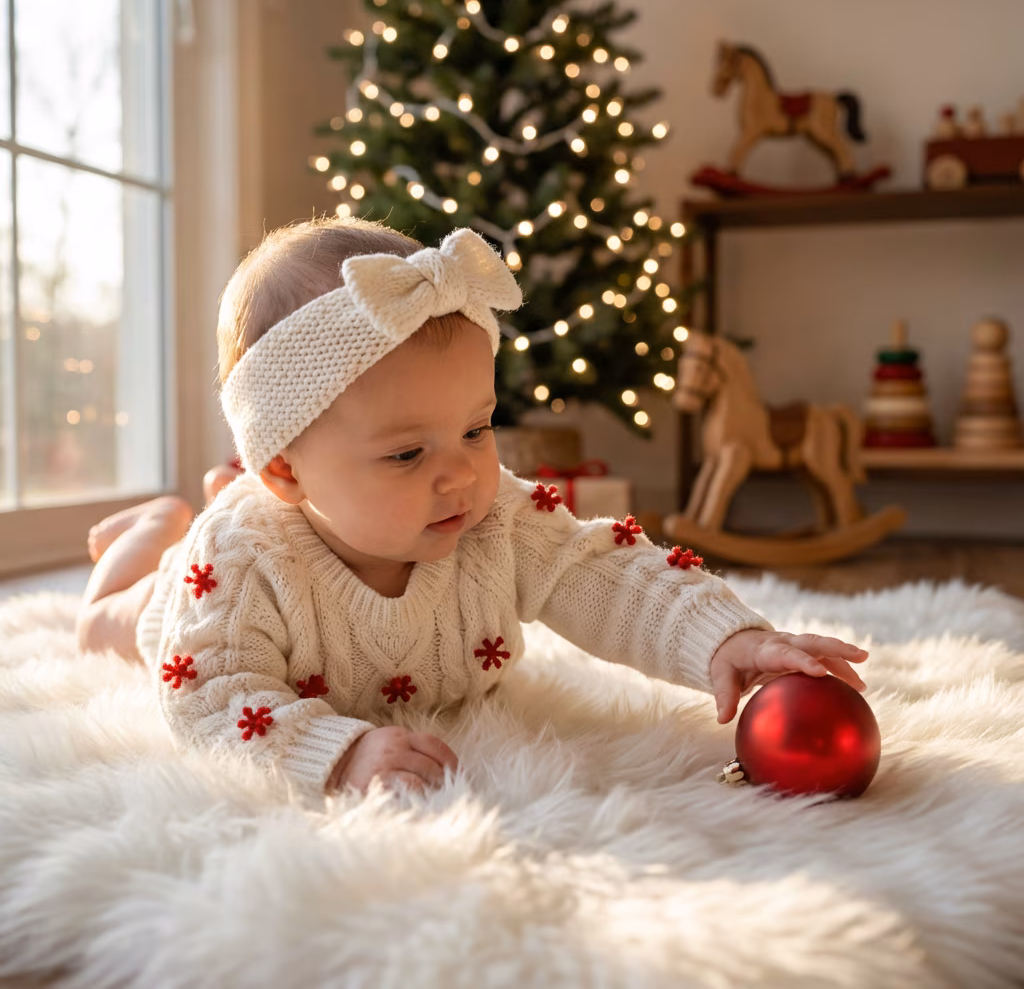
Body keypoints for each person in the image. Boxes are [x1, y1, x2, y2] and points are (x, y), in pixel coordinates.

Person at [79, 217, 868, 797]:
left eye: (477, 428)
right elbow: (209, 694)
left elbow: (607, 575)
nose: (461, 474)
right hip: (178, 594)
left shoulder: (494, 519)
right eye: (407, 453)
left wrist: (721, 639)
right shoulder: (243, 565)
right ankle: (155, 531)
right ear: (286, 470)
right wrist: (336, 753)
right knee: (111, 623)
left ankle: (194, 507)